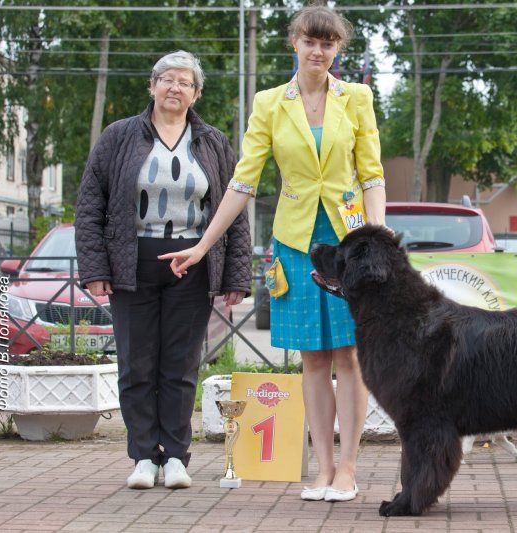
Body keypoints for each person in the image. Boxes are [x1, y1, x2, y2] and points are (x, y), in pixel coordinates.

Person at [158, 5, 385, 503]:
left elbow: (371, 173)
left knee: (349, 356)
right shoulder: (268, 103)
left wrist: (378, 237)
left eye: (328, 44)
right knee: (312, 358)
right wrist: (202, 244)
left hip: (349, 241)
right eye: (310, 41)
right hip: (295, 241)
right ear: (295, 43)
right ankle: (322, 469)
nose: (319, 51)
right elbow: (244, 181)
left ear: (337, 49)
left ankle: (348, 468)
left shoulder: (358, 98)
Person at [75, 50, 252, 490]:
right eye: (167, 79)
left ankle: (174, 457)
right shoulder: (118, 137)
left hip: (190, 266)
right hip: (130, 266)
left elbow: (235, 214)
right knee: (136, 364)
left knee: (180, 364)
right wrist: (95, 267)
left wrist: (234, 277)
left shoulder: (212, 143)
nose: (175, 88)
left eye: (185, 82)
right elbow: (89, 204)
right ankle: (142, 457)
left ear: (196, 94)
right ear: (152, 86)